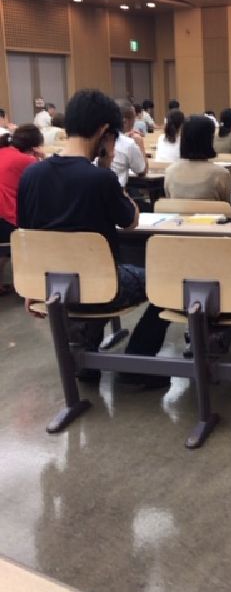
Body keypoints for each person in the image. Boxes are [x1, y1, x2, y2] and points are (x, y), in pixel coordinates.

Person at [17, 89, 170, 378]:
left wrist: (32, 287)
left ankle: (85, 357)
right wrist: (108, 169)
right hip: (103, 286)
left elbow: (27, 237)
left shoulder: (31, 176)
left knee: (88, 276)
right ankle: (138, 363)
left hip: (51, 286)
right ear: (104, 132)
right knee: (167, 282)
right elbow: (131, 221)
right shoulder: (100, 178)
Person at [0, 124, 43, 294]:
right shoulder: (27, 161)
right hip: (5, 216)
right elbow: (44, 179)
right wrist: (40, 158)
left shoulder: (3, 151)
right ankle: (33, 285)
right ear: (35, 145)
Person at [164, 115, 231, 201]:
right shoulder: (222, 174)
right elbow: (226, 204)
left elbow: (169, 200)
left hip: (179, 209)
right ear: (210, 140)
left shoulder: (170, 171)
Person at [111, 101, 147, 187]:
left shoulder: (99, 137)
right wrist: (140, 143)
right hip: (118, 191)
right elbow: (142, 171)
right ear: (125, 121)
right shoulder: (128, 143)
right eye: (134, 118)